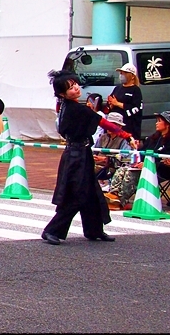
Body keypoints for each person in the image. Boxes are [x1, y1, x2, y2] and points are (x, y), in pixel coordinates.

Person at [41, 70, 135, 246]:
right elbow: (104, 123)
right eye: (70, 87)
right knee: (76, 195)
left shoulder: (67, 106)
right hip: (76, 156)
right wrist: (126, 135)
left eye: (75, 84)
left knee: (91, 192)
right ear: (62, 94)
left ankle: (94, 230)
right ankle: (52, 230)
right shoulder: (76, 109)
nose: (76, 88)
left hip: (79, 153)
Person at [106, 110, 170, 210]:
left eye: (159, 121)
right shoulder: (153, 138)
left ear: (167, 124)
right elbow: (142, 152)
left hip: (161, 171)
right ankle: (113, 196)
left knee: (132, 173)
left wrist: (147, 165)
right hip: (144, 166)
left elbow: (166, 163)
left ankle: (121, 201)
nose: (156, 123)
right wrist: (138, 151)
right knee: (123, 169)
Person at [92, 112, 130, 192]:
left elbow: (125, 158)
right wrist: (93, 157)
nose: (109, 127)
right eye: (108, 124)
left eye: (113, 125)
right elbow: (94, 151)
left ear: (119, 126)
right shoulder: (102, 137)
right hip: (96, 164)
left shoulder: (124, 140)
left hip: (112, 167)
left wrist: (107, 160)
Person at [106, 62, 143, 140]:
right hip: (115, 125)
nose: (121, 75)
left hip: (129, 126)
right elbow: (110, 103)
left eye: (124, 73)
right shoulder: (117, 88)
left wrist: (118, 104)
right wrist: (111, 104)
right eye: (121, 73)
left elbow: (136, 108)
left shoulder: (135, 90)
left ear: (132, 76)